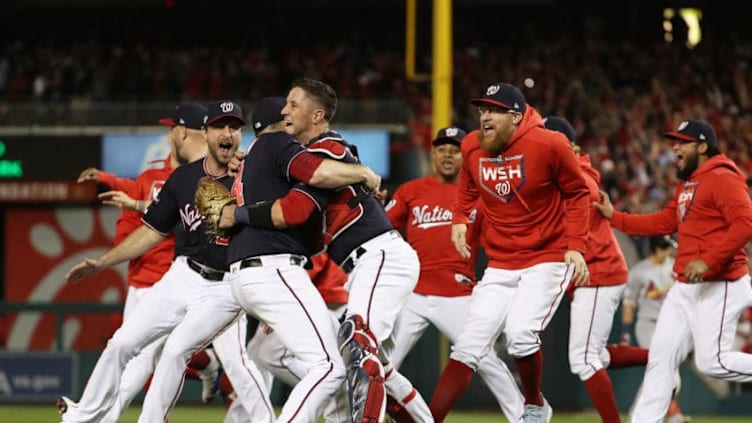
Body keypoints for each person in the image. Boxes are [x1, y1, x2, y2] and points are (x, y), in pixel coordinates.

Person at [220, 78, 432, 422]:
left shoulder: (326, 147)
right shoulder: (307, 157)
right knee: (374, 363)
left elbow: (298, 204)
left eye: (293, 104)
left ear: (316, 115)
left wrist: (239, 212)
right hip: (366, 263)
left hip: (380, 256)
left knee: (357, 344)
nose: (285, 111)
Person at [62, 101, 275, 423]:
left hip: (225, 286)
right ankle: (82, 417)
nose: (227, 133)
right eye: (220, 126)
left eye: (234, 127)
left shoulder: (253, 176)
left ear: (241, 134)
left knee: (182, 352)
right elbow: (151, 230)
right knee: (122, 343)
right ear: (206, 133)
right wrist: (103, 262)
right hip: (183, 275)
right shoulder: (184, 178)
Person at [428, 82, 590, 423]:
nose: (484, 116)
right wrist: (459, 218)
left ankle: (534, 403)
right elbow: (468, 184)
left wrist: (576, 246)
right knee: (468, 345)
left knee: (519, 336)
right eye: (482, 110)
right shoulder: (472, 144)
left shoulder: (549, 144)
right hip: (501, 262)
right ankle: (429, 420)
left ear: (516, 116)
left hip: (547, 256)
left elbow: (577, 193)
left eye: (493, 111)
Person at [594, 119, 752, 423]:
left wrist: (707, 260)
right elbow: (663, 223)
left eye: (683, 142)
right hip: (684, 289)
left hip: (721, 284)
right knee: (660, 359)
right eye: (675, 141)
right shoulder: (689, 183)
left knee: (712, 362)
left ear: (703, 146)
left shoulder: (722, 177)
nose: (674, 147)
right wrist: (615, 216)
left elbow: (744, 225)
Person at [384, 126, 524, 422]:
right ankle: (379, 414)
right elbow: (382, 229)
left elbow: (500, 243)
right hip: (414, 294)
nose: (448, 155)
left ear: (466, 156)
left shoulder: (479, 196)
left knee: (485, 359)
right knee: (383, 362)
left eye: (455, 150)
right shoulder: (410, 190)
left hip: (457, 294)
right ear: (432, 153)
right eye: (442, 149)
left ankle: (523, 415)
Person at [545, 116, 649, 423]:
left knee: (583, 359)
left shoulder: (577, 177)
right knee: (597, 355)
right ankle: (661, 358)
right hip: (594, 275)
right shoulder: (565, 175)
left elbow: (579, 198)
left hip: (598, 273)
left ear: (570, 146)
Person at [621, 235, 690, 423]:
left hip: (671, 325)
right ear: (655, 248)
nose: (668, 251)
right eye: (665, 247)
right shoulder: (639, 271)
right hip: (647, 325)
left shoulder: (674, 265)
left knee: (658, 374)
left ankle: (637, 416)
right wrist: (626, 333)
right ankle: (672, 416)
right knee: (669, 376)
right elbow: (629, 304)